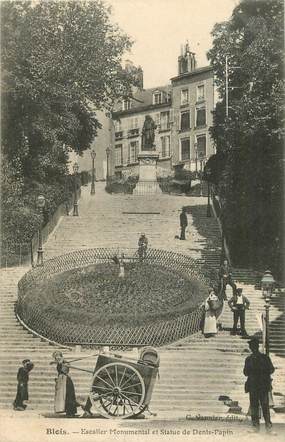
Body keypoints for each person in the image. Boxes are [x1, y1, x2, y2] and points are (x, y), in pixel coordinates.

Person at [244, 338, 275, 433]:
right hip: (262, 386)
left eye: (251, 346)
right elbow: (272, 370)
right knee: (264, 407)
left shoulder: (249, 359)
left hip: (255, 386)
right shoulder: (265, 357)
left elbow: (245, 372)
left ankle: (256, 427)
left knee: (255, 406)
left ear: (252, 348)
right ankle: (268, 427)